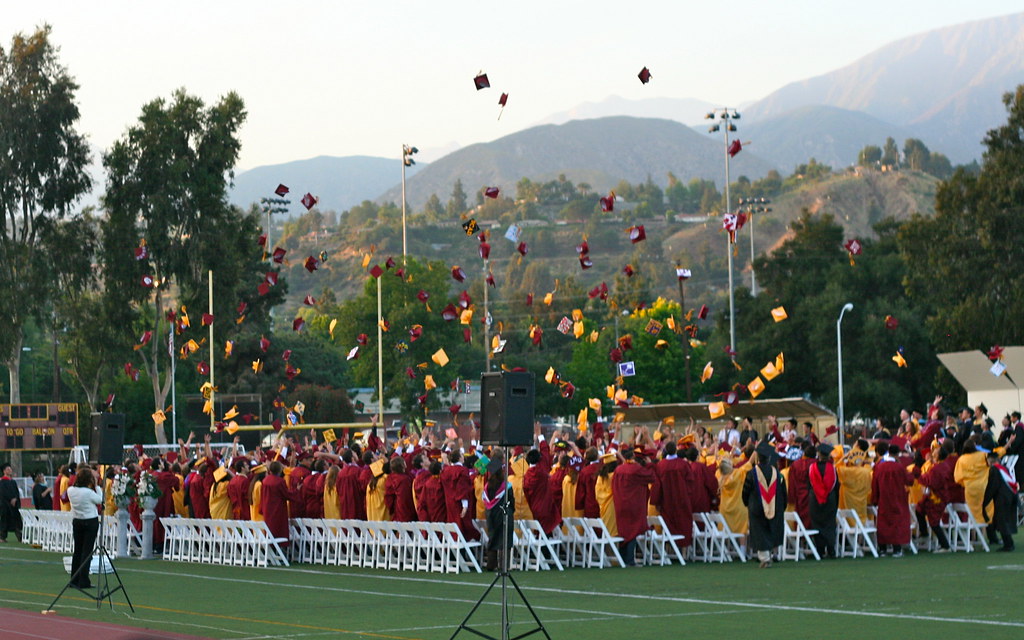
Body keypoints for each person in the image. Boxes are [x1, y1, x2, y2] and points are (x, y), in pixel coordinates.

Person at [743, 442, 787, 568]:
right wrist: (781, 506)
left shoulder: (751, 474)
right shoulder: (778, 474)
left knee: (760, 531)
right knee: (772, 529)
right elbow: (784, 492)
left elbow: (745, 491)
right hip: (775, 506)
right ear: (769, 458)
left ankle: (765, 558)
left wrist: (747, 503)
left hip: (756, 507)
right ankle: (773, 554)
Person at [611, 448, 656, 566]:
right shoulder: (636, 469)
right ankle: (630, 560)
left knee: (623, 531)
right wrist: (649, 464)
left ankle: (622, 558)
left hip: (620, 503)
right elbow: (651, 477)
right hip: (633, 504)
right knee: (633, 531)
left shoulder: (618, 469)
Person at [871, 444, 914, 557]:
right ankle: (896, 549)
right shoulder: (899, 467)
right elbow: (909, 481)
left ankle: (882, 549)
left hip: (883, 499)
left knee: (883, 524)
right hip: (897, 498)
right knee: (897, 523)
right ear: (897, 454)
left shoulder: (879, 466)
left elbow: (874, 484)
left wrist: (875, 499)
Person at [650, 440, 694, 546]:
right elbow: (690, 483)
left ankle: (670, 548)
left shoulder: (660, 465)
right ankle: (683, 551)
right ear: (676, 450)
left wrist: (657, 501)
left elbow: (657, 485)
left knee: (669, 524)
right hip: (682, 500)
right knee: (683, 524)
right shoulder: (683, 464)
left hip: (666, 501)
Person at [66, 465, 103, 589]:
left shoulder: (71, 490)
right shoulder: (88, 492)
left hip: (77, 521)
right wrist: (97, 485)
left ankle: (74, 579)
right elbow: (100, 500)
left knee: (77, 551)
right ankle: (84, 580)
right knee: (87, 552)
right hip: (90, 521)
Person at [808, 444, 840, 558]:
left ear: (819, 455)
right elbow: (836, 485)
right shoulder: (832, 468)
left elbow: (809, 484)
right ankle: (831, 549)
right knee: (830, 524)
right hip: (830, 499)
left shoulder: (812, 468)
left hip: (815, 499)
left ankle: (820, 550)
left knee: (817, 523)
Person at [482, 460, 514, 571]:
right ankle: (504, 565)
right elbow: (511, 501)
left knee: (493, 538)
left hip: (491, 515)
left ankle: (491, 564)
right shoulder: (506, 486)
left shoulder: (487, 487)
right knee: (505, 540)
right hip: (504, 514)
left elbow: (486, 502)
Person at [983, 451, 1018, 551]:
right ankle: (1007, 542)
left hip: (1002, 498)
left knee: (1002, 520)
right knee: (1004, 520)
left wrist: (986, 500)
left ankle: (1008, 544)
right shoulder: (1005, 468)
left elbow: (992, 486)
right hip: (1010, 496)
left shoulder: (994, 470)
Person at [260, 461, 298, 546]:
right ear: (280, 470)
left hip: (267, 508)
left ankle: (272, 548)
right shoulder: (280, 481)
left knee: (269, 529)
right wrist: (296, 491)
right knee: (278, 529)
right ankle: (279, 547)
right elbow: (286, 494)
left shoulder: (265, 480)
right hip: (278, 509)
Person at [384, 457, 416, 522]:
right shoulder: (404, 480)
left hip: (397, 508)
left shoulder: (390, 477)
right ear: (402, 465)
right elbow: (406, 498)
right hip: (405, 508)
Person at [0, 464, 23, 543]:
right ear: (4, 471)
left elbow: (16, 492)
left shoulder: (13, 482)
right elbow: (3, 493)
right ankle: (2, 537)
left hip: (14, 505)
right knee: (5, 520)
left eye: (10, 468)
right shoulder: (2, 481)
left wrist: (15, 499)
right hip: (5, 505)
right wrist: (11, 499)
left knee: (16, 520)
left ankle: (20, 536)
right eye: (8, 469)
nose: (10, 470)